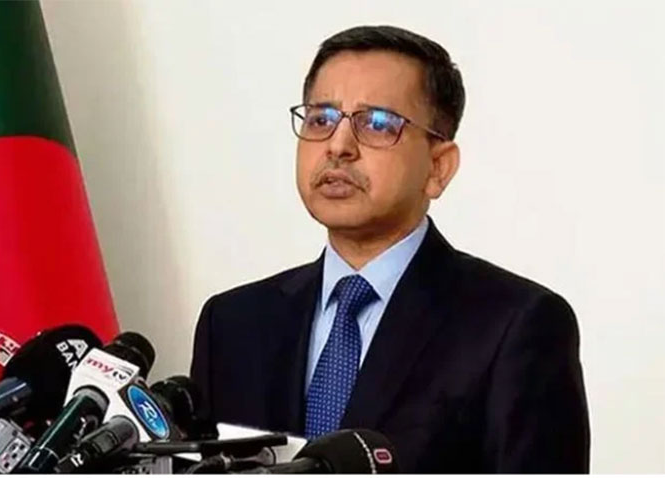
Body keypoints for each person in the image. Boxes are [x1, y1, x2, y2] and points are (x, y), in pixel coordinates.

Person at [190, 25, 590, 473]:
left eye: (377, 124)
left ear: (438, 168)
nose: (338, 147)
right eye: (321, 119)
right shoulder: (233, 324)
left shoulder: (514, 326)